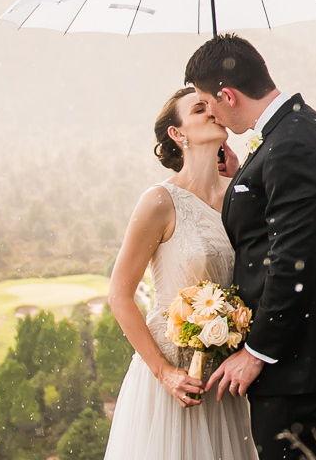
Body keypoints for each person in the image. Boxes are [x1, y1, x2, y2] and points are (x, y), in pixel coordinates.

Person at [187, 34, 316, 460]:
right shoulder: (305, 127)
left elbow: (291, 261)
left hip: (294, 362)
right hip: (302, 358)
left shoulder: (290, 145)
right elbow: (296, 224)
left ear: (229, 96)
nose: (212, 114)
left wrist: (257, 352)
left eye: (208, 103)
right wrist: (244, 177)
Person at [102, 86, 254, 457]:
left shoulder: (243, 193)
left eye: (212, 104)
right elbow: (119, 295)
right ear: (177, 133)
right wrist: (164, 372)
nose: (212, 111)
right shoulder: (159, 201)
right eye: (199, 108)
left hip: (225, 380)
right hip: (172, 378)